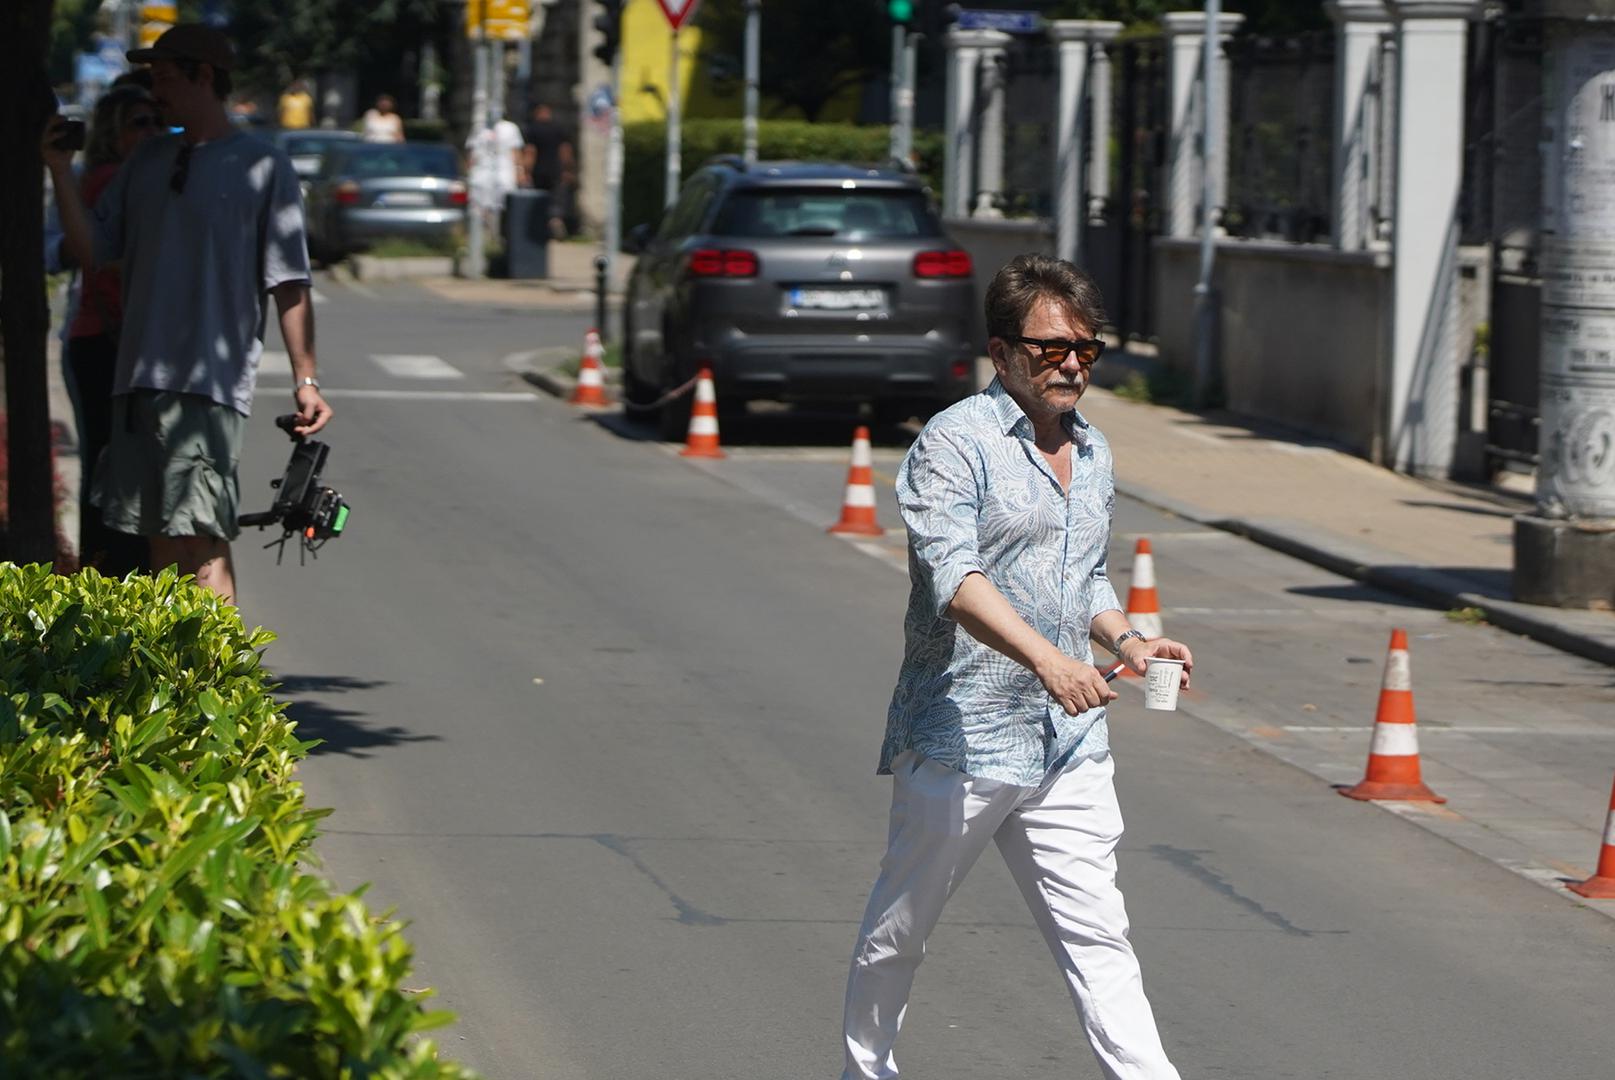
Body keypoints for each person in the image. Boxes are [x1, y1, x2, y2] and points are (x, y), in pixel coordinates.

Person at [841, 254, 1194, 1080]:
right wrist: (1046, 660)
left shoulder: (1093, 451)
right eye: (1050, 348)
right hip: (962, 736)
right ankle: (866, 1070)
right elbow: (955, 580)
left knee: (1100, 940)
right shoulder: (952, 444)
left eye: (1085, 349)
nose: (1071, 364)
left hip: (1066, 741)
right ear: (1000, 353)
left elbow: (1083, 578)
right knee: (900, 932)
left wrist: (1128, 643)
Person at [42, 23, 331, 604]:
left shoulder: (262, 166)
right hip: (137, 380)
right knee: (159, 541)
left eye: (166, 77)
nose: (156, 91)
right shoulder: (147, 160)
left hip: (206, 385)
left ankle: (220, 663)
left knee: (200, 541)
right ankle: (173, 661)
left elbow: (289, 284)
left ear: (204, 77)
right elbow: (93, 249)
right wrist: (58, 168)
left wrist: (306, 381)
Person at [62, 83, 161, 577]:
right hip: (106, 340)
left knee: (114, 463)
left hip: (109, 339)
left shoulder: (123, 177)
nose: (152, 132)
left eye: (158, 122)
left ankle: (109, 571)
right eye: (139, 123)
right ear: (113, 133)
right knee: (111, 464)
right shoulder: (111, 179)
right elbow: (106, 261)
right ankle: (109, 572)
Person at [466, 110, 525, 238]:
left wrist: (519, 171)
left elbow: (515, 151)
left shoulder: (510, 128)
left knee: (503, 204)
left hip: (504, 171)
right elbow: (472, 152)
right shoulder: (479, 128)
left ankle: (501, 235)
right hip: (482, 172)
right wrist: (469, 171)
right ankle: (482, 236)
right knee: (479, 205)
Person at [521, 102, 574, 237]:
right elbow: (565, 151)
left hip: (538, 172)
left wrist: (526, 171)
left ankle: (541, 228)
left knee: (539, 201)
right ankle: (555, 220)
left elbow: (530, 152)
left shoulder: (532, 129)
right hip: (556, 171)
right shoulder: (558, 129)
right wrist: (567, 169)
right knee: (557, 199)